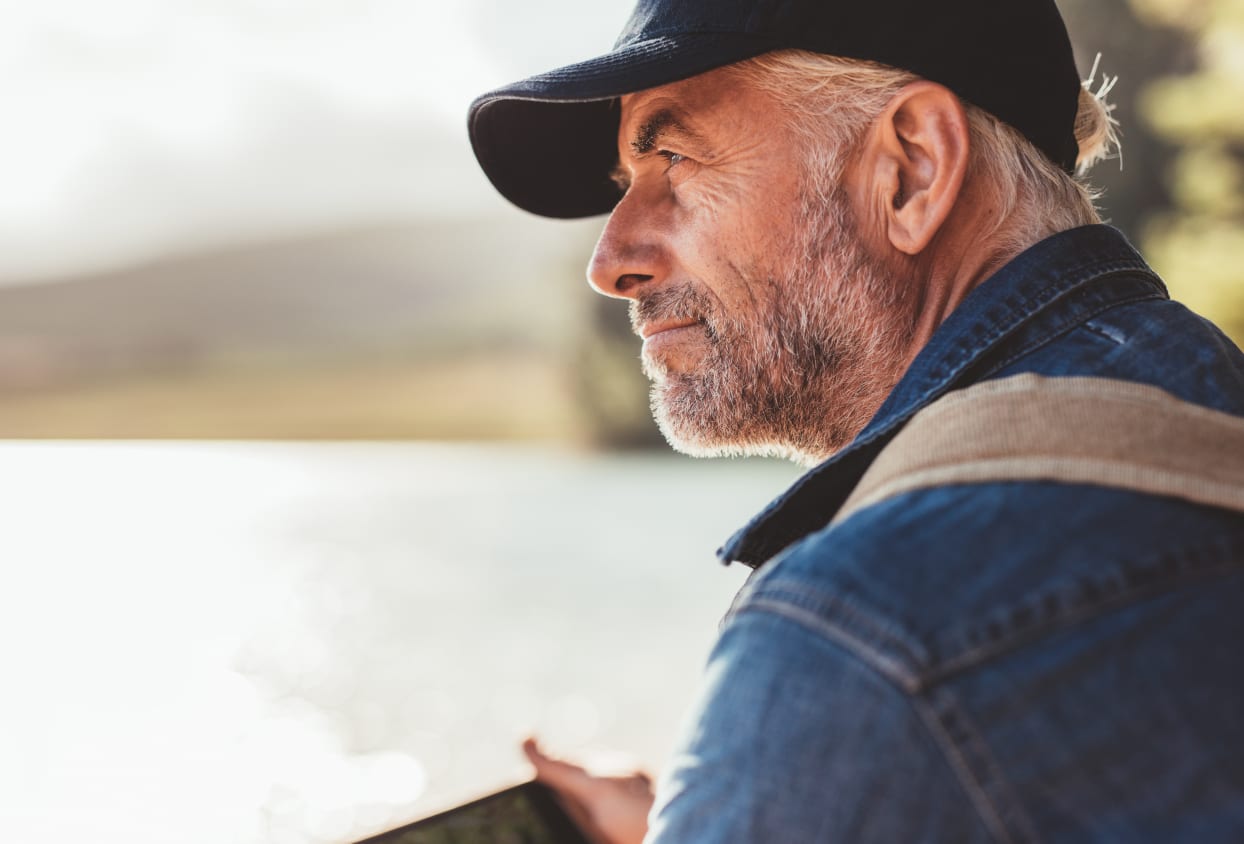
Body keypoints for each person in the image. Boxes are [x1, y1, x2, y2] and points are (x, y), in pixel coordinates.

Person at [467, 1, 1244, 842]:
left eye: (674, 159)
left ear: (911, 167)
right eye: (627, 186)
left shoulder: (859, 637)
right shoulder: (1210, 403)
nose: (611, 261)